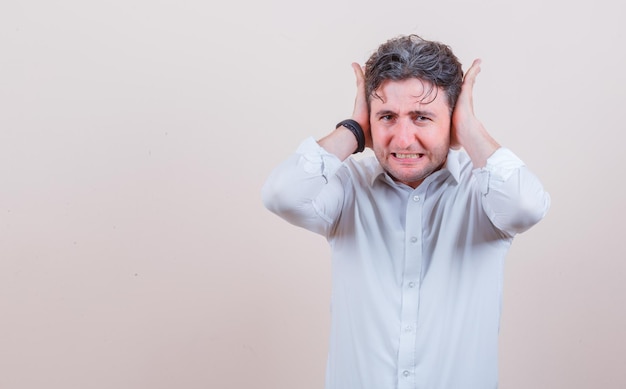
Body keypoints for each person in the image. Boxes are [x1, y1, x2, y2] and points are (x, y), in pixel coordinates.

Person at [261, 34, 550, 389]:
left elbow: (527, 206)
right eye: (387, 117)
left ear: (453, 121)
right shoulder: (349, 187)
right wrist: (352, 129)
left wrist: (471, 130)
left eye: (422, 117)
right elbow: (281, 194)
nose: (402, 139)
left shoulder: (484, 193)